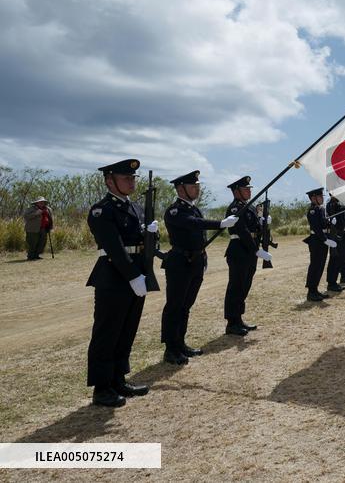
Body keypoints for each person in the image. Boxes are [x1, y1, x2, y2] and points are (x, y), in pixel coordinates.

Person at [85, 159, 154, 407]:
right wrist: (133, 276)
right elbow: (114, 246)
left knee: (127, 330)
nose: (131, 182)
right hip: (114, 276)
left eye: (133, 178)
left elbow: (140, 244)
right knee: (107, 332)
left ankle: (118, 378)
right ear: (109, 180)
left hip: (137, 273)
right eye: (126, 178)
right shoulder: (102, 210)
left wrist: (151, 233)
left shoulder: (135, 208)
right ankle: (102, 388)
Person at [161, 171, 237, 364]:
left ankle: (180, 343)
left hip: (194, 262)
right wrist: (220, 223)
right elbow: (194, 225)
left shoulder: (194, 209)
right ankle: (170, 349)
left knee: (186, 306)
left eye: (198, 185)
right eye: (193, 186)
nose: (197, 189)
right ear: (180, 188)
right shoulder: (174, 211)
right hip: (179, 263)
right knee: (175, 306)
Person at [223, 176, 267, 336]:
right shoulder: (235, 209)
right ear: (236, 192)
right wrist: (256, 249)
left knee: (245, 285)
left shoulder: (248, 207)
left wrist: (262, 221)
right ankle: (231, 322)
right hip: (239, 250)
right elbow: (242, 231)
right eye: (245, 189)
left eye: (249, 188)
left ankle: (238, 319)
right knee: (236, 286)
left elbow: (255, 229)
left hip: (249, 250)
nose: (249, 191)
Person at [304, 188, 335, 302]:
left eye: (322, 196)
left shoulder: (321, 209)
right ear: (313, 198)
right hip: (317, 241)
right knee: (315, 265)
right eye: (320, 196)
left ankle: (315, 289)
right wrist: (324, 239)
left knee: (321, 265)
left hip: (322, 240)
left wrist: (331, 221)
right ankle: (311, 292)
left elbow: (323, 223)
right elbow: (317, 228)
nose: (322, 198)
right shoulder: (312, 211)